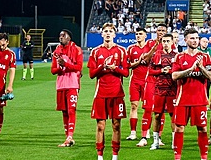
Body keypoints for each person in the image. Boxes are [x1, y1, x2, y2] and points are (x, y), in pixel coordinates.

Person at [88, 23, 129, 160]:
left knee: (116, 125)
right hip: (101, 94)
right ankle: (100, 156)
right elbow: (92, 74)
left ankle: (114, 156)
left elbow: (126, 73)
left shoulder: (121, 51)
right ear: (101, 34)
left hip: (117, 94)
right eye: (105, 31)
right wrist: (102, 66)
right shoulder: (95, 51)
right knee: (100, 126)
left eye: (110, 31)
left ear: (114, 34)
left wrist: (114, 68)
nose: (107, 33)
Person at [171, 28, 211, 160]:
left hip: (200, 100)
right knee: (179, 129)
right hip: (182, 99)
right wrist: (190, 69)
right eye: (192, 38)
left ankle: (203, 157)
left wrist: (200, 67)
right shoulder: (179, 57)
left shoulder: (205, 57)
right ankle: (177, 157)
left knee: (202, 129)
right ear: (186, 40)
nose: (195, 41)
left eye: (196, 38)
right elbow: (174, 76)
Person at [134, 23, 167, 147]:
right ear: (156, 31)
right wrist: (155, 48)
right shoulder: (149, 43)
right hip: (151, 80)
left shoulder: (170, 44)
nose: (161, 32)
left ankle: (158, 138)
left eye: (163, 30)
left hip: (164, 82)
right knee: (148, 109)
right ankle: (144, 137)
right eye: (159, 30)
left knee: (161, 111)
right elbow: (145, 60)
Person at [50, 29, 83, 147]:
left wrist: (66, 64)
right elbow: (53, 70)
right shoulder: (56, 51)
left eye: (63, 35)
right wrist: (60, 68)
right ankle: (68, 138)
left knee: (71, 110)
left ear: (69, 37)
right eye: (60, 35)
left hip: (73, 84)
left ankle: (70, 137)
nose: (61, 37)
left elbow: (79, 67)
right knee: (64, 112)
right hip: (61, 85)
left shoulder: (77, 49)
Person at [147, 34, 177, 150]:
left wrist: (169, 71)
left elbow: (179, 71)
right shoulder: (156, 55)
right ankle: (156, 141)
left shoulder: (177, 56)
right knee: (157, 115)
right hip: (159, 89)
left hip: (172, 90)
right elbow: (150, 71)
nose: (165, 43)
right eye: (163, 41)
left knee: (173, 116)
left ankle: (174, 142)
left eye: (167, 41)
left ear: (172, 42)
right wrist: (161, 70)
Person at [125, 27, 152, 142]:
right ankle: (133, 132)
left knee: (148, 108)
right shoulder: (131, 49)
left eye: (140, 34)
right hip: (135, 81)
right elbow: (127, 65)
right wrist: (138, 62)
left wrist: (145, 60)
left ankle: (147, 131)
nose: (138, 36)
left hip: (147, 81)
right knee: (133, 106)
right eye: (136, 34)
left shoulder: (150, 48)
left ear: (145, 36)